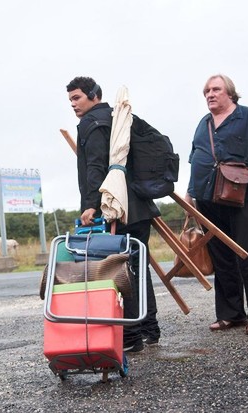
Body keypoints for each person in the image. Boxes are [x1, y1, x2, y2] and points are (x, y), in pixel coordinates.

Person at [66, 76, 161, 352]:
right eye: (70, 99)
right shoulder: (118, 116)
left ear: (94, 95)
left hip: (116, 206)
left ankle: (131, 338)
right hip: (139, 205)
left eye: (77, 98)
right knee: (137, 266)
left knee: (120, 269)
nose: (73, 104)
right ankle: (149, 330)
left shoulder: (92, 123)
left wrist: (90, 204)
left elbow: (95, 165)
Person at [185, 74, 248, 335]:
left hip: (243, 198)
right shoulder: (202, 124)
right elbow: (196, 161)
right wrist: (190, 195)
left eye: (216, 89)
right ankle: (231, 314)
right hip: (207, 200)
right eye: (206, 91)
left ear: (230, 93)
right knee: (221, 258)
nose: (210, 94)